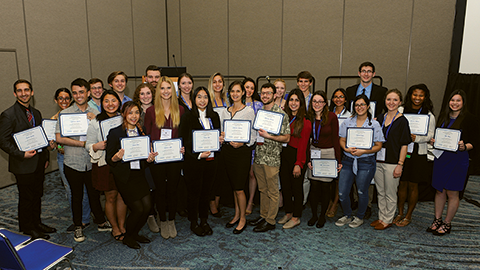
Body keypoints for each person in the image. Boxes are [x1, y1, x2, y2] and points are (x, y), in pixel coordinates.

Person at [55, 78, 111, 242]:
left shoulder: (95, 111)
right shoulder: (65, 114)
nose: (78, 95)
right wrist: (83, 144)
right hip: (73, 161)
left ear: (88, 93)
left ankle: (100, 221)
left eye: (81, 92)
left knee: (94, 194)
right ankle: (78, 226)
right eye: (75, 93)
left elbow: (104, 134)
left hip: (92, 161)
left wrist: (96, 119)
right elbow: (59, 138)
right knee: (76, 195)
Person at [0, 79, 55, 239]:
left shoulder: (36, 113)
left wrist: (45, 157)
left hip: (38, 163)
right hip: (22, 164)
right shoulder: (8, 115)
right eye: (19, 90)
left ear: (32, 92)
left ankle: (37, 223)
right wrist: (21, 154)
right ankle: (27, 227)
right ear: (15, 93)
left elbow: (40, 138)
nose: (23, 93)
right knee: (26, 197)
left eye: (26, 90)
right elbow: (2, 141)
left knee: (37, 194)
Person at [426, 89, 478, 235]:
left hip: (458, 160)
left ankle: (447, 223)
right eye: (452, 100)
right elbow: (440, 136)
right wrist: (434, 141)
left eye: (458, 100)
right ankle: (437, 220)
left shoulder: (470, 119)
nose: (454, 103)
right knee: (439, 190)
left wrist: (464, 146)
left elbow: (475, 142)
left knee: (452, 193)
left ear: (463, 102)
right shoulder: (444, 116)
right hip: (441, 158)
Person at [106, 101, 157, 249]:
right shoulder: (115, 133)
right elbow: (109, 159)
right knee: (138, 209)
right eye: (130, 113)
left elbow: (145, 159)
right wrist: (117, 157)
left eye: (136, 112)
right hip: (125, 177)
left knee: (147, 207)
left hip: (139, 175)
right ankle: (128, 236)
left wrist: (149, 159)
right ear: (123, 114)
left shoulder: (142, 131)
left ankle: (135, 233)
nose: (134, 116)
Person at [179, 86, 224, 236]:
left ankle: (204, 220)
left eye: (205, 97)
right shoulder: (187, 117)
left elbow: (216, 136)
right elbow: (184, 141)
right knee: (194, 194)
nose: (202, 100)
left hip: (211, 161)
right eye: (199, 97)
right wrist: (198, 155)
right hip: (194, 162)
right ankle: (194, 222)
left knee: (206, 193)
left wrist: (220, 140)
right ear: (194, 99)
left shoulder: (214, 116)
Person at [335, 94, 385, 228]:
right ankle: (347, 214)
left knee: (362, 191)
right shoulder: (348, 122)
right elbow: (341, 139)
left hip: (366, 161)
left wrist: (364, 151)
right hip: (348, 160)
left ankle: (360, 216)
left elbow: (378, 145)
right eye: (357, 105)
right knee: (342, 193)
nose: (359, 107)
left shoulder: (374, 124)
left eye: (362, 104)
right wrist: (346, 148)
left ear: (368, 106)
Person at [145, 76, 185, 239]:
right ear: (158, 91)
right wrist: (150, 149)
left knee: (173, 190)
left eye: (169, 88)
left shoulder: (180, 110)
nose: (166, 91)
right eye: (162, 88)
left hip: (175, 158)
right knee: (160, 191)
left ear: (173, 90)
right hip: (158, 158)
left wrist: (184, 147)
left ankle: (171, 220)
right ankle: (162, 219)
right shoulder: (150, 111)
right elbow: (146, 135)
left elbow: (184, 134)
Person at [248, 83, 291, 233]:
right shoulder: (259, 113)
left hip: (272, 158)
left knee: (273, 191)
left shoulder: (281, 114)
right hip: (259, 156)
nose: (265, 95)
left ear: (275, 95)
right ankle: (263, 216)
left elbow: (286, 138)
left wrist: (269, 136)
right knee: (262, 189)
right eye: (263, 93)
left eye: (268, 93)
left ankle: (270, 221)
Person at [86, 90, 128, 240]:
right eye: (106, 101)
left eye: (113, 101)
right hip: (105, 164)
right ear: (102, 104)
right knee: (110, 197)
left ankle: (122, 225)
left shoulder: (124, 119)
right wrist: (97, 146)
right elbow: (88, 144)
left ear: (119, 102)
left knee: (123, 196)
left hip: (123, 163)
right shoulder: (95, 122)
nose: (110, 104)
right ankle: (115, 228)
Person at [219, 81, 256, 234]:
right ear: (229, 93)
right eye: (232, 91)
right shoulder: (224, 112)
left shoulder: (248, 111)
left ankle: (242, 219)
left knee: (240, 188)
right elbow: (222, 132)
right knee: (234, 187)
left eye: (238, 91)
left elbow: (253, 136)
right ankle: (236, 215)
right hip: (228, 152)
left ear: (243, 93)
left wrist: (242, 143)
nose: (235, 94)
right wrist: (221, 137)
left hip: (242, 153)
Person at [396, 84, 435, 227]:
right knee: (401, 184)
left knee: (413, 185)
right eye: (415, 94)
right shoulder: (401, 110)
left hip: (419, 153)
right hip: (402, 152)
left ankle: (408, 215)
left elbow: (431, 134)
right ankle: (399, 212)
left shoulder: (428, 114)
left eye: (421, 95)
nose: (417, 98)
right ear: (410, 95)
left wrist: (416, 138)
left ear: (425, 97)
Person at [52, 88, 91, 232]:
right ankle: (78, 220)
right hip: (65, 157)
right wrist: (55, 145)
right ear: (56, 101)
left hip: (82, 155)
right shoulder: (55, 118)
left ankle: (85, 219)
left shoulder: (83, 115)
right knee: (70, 190)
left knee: (85, 191)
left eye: (67, 98)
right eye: (60, 99)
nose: (64, 101)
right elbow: (54, 143)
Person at [371, 89, 411, 230]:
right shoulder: (380, 118)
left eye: (395, 100)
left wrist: (400, 164)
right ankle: (382, 217)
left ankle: (388, 219)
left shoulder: (402, 121)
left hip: (393, 162)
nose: (391, 102)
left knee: (390, 193)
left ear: (400, 102)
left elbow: (405, 145)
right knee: (380, 191)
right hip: (378, 160)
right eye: (389, 99)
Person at [306, 91, 342, 228]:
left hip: (328, 154)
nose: (317, 104)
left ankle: (322, 216)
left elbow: (335, 139)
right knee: (314, 187)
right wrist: (308, 158)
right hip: (314, 152)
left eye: (320, 101)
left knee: (326, 186)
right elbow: (307, 140)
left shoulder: (332, 117)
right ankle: (314, 215)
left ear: (325, 103)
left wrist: (338, 160)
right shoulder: (308, 117)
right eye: (314, 101)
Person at [278, 89, 312, 229]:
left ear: (301, 103)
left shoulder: (306, 121)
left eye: (296, 100)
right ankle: (288, 212)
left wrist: (298, 163)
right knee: (285, 186)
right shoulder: (284, 117)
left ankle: (296, 216)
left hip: (298, 156)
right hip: (284, 154)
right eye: (291, 100)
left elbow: (303, 146)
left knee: (296, 188)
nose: (293, 103)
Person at [132, 82, 157, 232]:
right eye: (142, 93)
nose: (146, 96)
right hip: (141, 156)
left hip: (159, 153)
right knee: (147, 185)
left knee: (156, 184)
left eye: (148, 93)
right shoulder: (134, 112)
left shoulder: (158, 109)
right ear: (138, 96)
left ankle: (156, 211)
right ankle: (150, 215)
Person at [325, 88, 350, 218]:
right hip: (331, 147)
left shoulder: (350, 115)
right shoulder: (328, 113)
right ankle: (330, 201)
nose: (338, 99)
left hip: (343, 148)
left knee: (339, 179)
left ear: (345, 99)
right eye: (335, 96)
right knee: (331, 177)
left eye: (341, 96)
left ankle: (335, 203)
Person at [207, 72, 228, 216]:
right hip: (211, 143)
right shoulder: (207, 100)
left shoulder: (227, 101)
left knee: (221, 174)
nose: (217, 84)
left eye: (220, 81)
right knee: (212, 175)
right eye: (215, 81)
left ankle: (218, 201)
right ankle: (211, 203)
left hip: (225, 143)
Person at [242, 77, 262, 215]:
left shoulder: (259, 105)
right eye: (246, 87)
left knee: (252, 174)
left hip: (255, 143)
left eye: (251, 88)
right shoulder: (236, 103)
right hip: (239, 144)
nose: (248, 90)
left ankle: (250, 201)